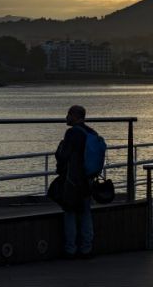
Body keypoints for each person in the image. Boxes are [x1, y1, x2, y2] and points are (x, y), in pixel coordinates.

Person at [55, 105, 96, 259]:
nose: (66, 117)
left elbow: (63, 156)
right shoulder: (91, 132)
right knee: (86, 213)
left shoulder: (72, 133)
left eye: (68, 114)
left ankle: (70, 249)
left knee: (70, 212)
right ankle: (87, 248)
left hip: (72, 179)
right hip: (88, 179)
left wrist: (59, 149)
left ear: (75, 116)